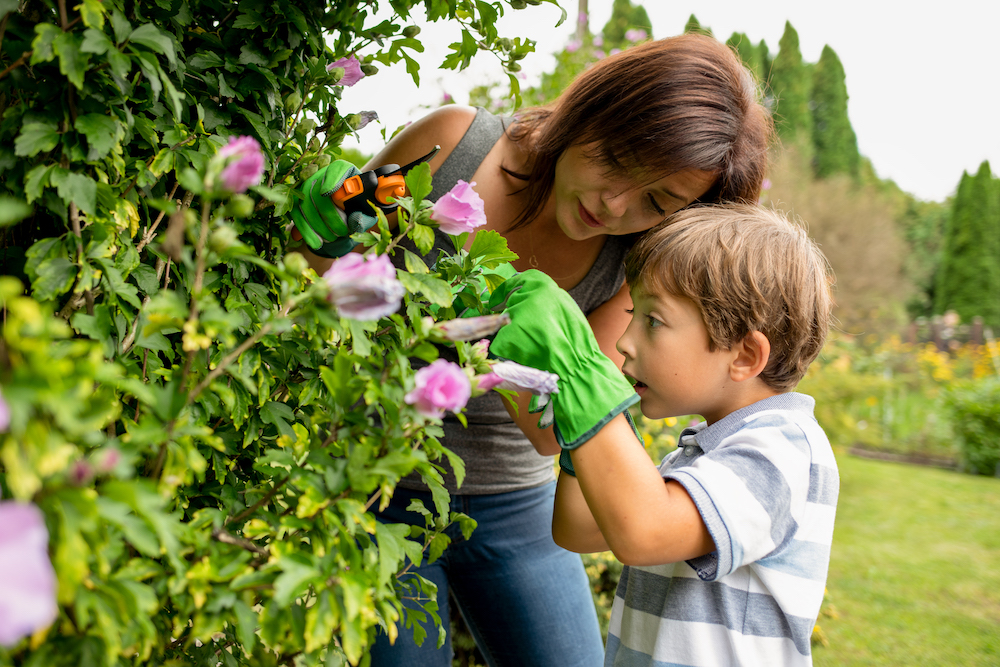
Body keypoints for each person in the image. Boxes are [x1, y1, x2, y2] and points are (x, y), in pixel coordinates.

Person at [293, 33, 773, 666]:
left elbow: (552, 434)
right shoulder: (456, 146)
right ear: (595, 110)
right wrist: (322, 240)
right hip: (374, 485)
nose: (616, 204)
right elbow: (312, 288)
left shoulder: (638, 258)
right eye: (616, 162)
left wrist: (548, 344)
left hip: (518, 506)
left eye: (657, 201)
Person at [488, 203, 838, 667]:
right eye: (633, 315)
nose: (623, 343)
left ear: (744, 355)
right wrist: (587, 425)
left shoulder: (783, 449)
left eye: (653, 321)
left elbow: (643, 533)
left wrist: (583, 379)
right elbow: (577, 528)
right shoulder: (699, 455)